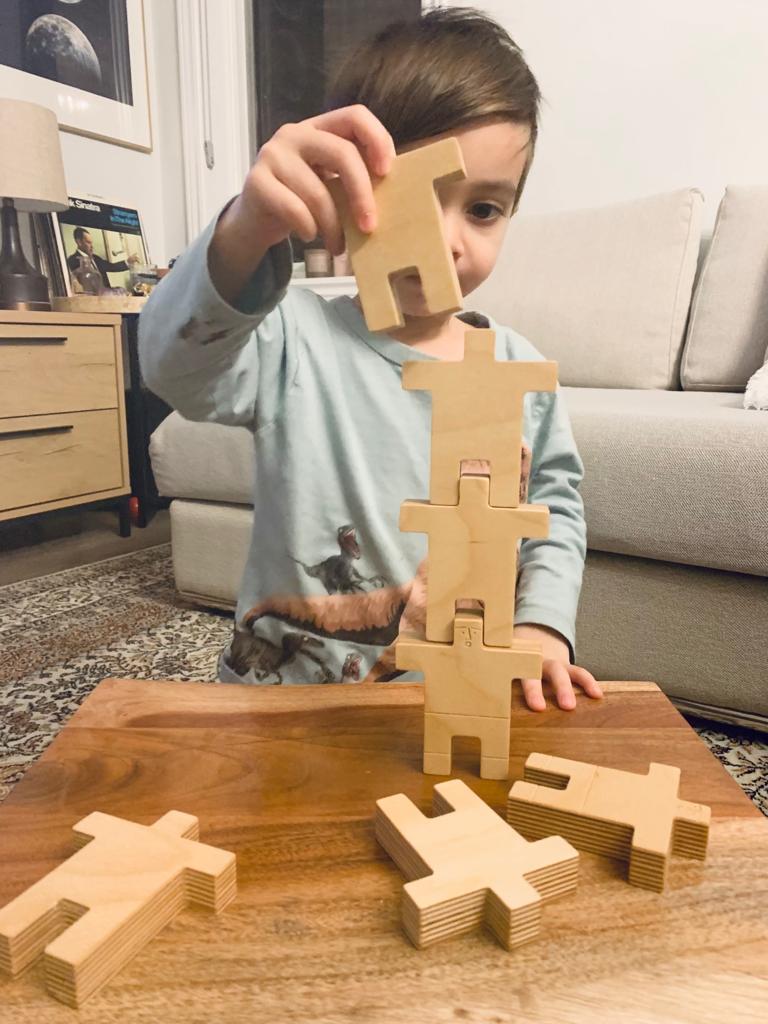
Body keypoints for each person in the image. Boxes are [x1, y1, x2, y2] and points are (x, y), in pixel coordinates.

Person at [139, 7, 603, 711]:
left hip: (443, 704)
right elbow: (171, 368)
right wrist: (245, 232)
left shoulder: (516, 369)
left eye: (483, 209)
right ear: (342, 190)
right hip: (279, 702)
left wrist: (542, 628)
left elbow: (555, 511)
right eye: (415, 199)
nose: (448, 240)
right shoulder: (289, 337)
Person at [67, 227, 139, 292]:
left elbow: (111, 267)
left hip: (108, 296)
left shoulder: (96, 258)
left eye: (91, 242)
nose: (92, 246)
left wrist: (128, 261)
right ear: (79, 242)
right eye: (88, 242)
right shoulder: (72, 260)